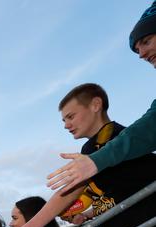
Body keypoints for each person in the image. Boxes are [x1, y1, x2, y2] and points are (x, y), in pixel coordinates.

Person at [0, 84, 156, 227]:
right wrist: (88, 213)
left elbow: (70, 191)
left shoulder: (115, 140)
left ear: (95, 105)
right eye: (63, 120)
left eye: (71, 116)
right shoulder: (93, 147)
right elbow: (123, 190)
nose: (66, 125)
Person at [46, 1, 156, 193]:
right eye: (138, 49)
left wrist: (96, 160)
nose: (142, 54)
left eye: (146, 41)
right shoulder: (91, 150)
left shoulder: (104, 142)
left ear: (96, 105)